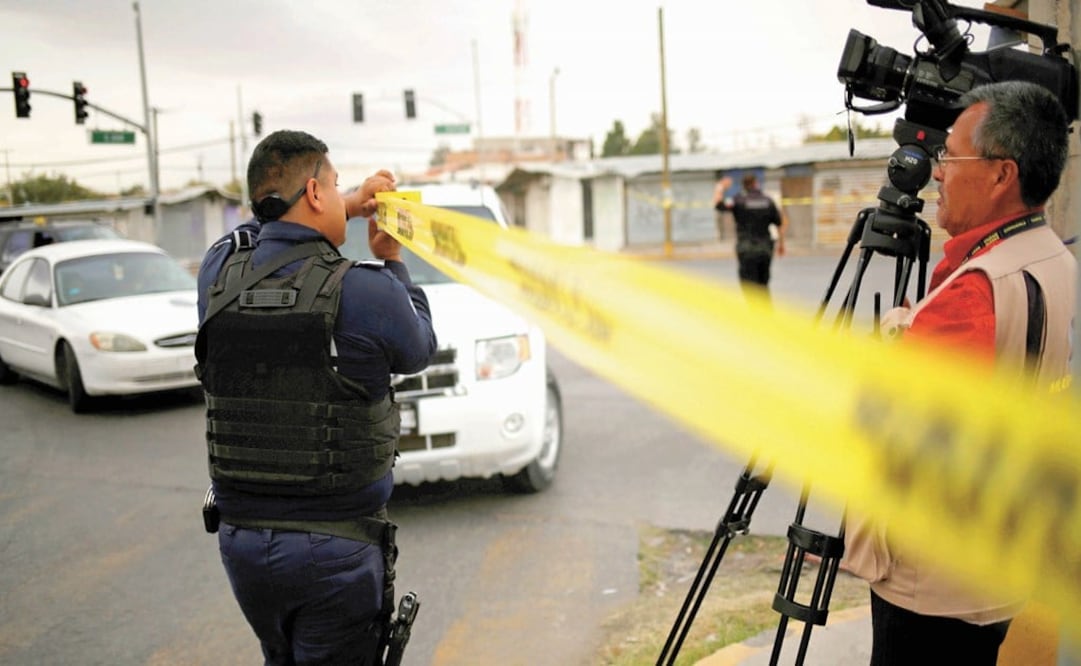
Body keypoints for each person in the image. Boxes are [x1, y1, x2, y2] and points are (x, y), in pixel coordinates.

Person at [843, 80, 1076, 666]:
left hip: (933, 584)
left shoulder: (974, 293)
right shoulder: (1052, 252)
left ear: (1002, 175)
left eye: (950, 155)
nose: (936, 172)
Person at [195, 129, 437, 665]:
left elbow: (254, 232)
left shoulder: (218, 273)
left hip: (242, 544)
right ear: (314, 192)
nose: (344, 195)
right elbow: (419, 349)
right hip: (335, 547)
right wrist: (393, 257)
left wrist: (341, 204)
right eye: (336, 183)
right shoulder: (366, 288)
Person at [712, 172, 787, 298]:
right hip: (765, 250)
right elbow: (779, 223)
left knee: (749, 288)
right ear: (756, 183)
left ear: (743, 185)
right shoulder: (767, 200)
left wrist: (720, 186)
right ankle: (765, 314)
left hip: (746, 250)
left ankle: (754, 315)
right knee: (763, 286)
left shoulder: (738, 200)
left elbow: (718, 204)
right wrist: (781, 245)